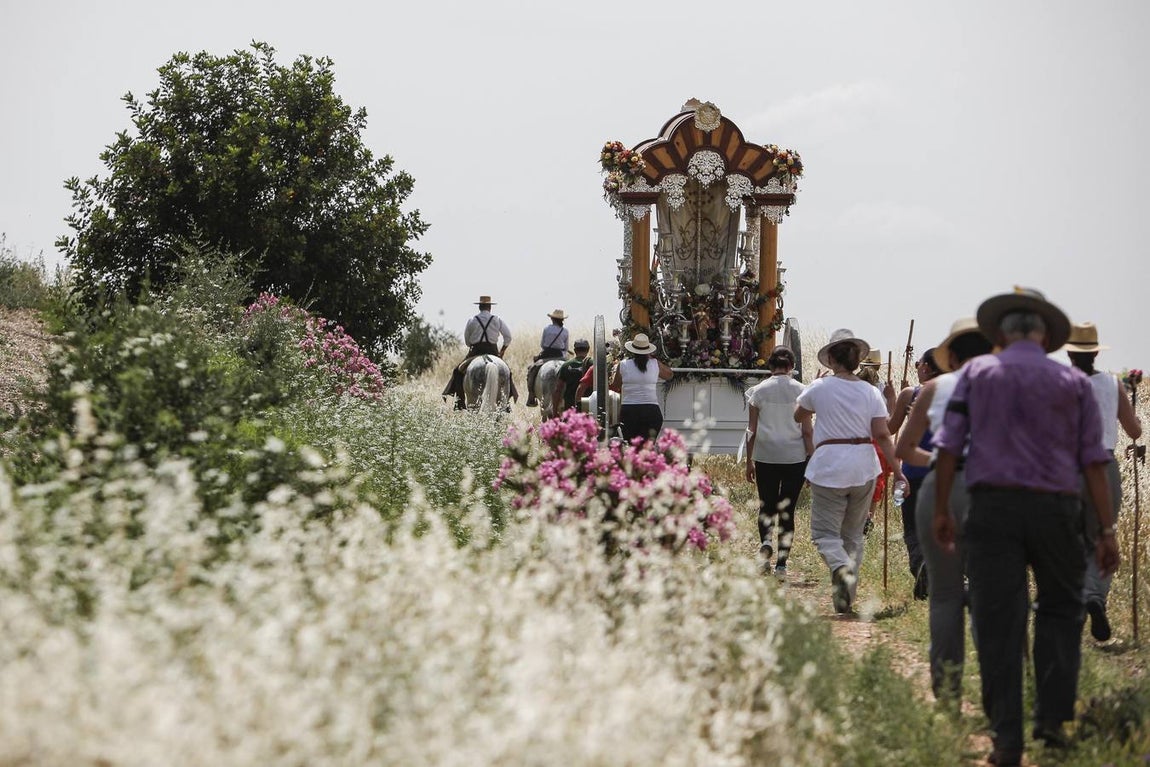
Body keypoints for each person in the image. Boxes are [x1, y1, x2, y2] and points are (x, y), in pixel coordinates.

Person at [933, 288, 1119, 766]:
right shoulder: (1072, 383)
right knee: (1059, 610)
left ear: (1001, 334)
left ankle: (1007, 739)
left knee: (997, 620)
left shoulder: (976, 374)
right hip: (1058, 511)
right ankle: (1052, 724)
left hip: (993, 510)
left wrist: (941, 510)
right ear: (1044, 336)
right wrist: (1107, 529)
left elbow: (950, 447)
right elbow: (1094, 461)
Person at [895, 319, 992, 701]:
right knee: (989, 590)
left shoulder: (933, 388)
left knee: (946, 593)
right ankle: (995, 687)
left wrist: (941, 460)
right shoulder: (1003, 389)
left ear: (950, 355)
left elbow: (903, 449)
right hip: (990, 491)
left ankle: (947, 687)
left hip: (943, 485)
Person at [794, 328, 904, 614]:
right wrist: (897, 470)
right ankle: (847, 597)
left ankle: (840, 566)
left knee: (824, 533)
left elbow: (798, 415)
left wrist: (813, 388)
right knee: (853, 535)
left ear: (831, 359)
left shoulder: (819, 388)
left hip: (830, 464)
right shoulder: (870, 392)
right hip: (864, 465)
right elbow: (883, 434)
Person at [1063, 321, 1142, 642]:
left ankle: (1074, 600)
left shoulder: (1061, 383)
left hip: (1066, 467)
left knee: (1069, 536)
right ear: (1095, 351)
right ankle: (1095, 595)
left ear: (1069, 353)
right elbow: (1135, 431)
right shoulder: (1112, 384)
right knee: (1103, 533)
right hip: (1104, 464)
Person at [745, 345, 813, 581]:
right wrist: (811, 460)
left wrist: (748, 462)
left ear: (771, 366)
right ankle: (782, 565)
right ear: (792, 367)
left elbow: (751, 431)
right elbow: (807, 432)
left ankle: (765, 543)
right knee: (787, 511)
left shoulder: (759, 392)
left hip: (765, 456)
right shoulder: (802, 391)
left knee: (767, 505)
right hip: (794, 458)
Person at [888, 347, 944, 599]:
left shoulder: (911, 394)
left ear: (928, 367)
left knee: (912, 528)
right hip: (946, 471)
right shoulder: (957, 393)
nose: (917, 368)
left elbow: (890, 427)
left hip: (912, 471)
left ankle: (920, 565)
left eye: (918, 364)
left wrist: (891, 398)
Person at [442, 295, 515, 410]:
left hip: (475, 352)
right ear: (490, 307)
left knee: (457, 371)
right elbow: (508, 337)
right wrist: (502, 351)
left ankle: (459, 402)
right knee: (508, 372)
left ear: (479, 307)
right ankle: (506, 402)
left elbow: (467, 341)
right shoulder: (497, 319)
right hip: (493, 352)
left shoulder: (472, 320)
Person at [610, 332, 673, 442]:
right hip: (651, 412)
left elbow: (615, 386)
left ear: (632, 350)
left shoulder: (623, 365)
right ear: (648, 350)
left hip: (629, 411)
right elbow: (669, 375)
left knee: (630, 447)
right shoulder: (655, 364)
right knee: (647, 448)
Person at [526, 309, 570, 407]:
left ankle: (531, 396)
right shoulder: (565, 331)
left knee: (532, 370)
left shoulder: (547, 329)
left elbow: (542, 345)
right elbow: (566, 348)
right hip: (560, 356)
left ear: (552, 319)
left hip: (546, 355)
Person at [556, 339, 592, 412]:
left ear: (575, 350)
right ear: (588, 349)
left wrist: (554, 412)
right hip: (590, 408)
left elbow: (558, 390)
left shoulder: (566, 365)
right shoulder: (593, 364)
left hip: (570, 409)